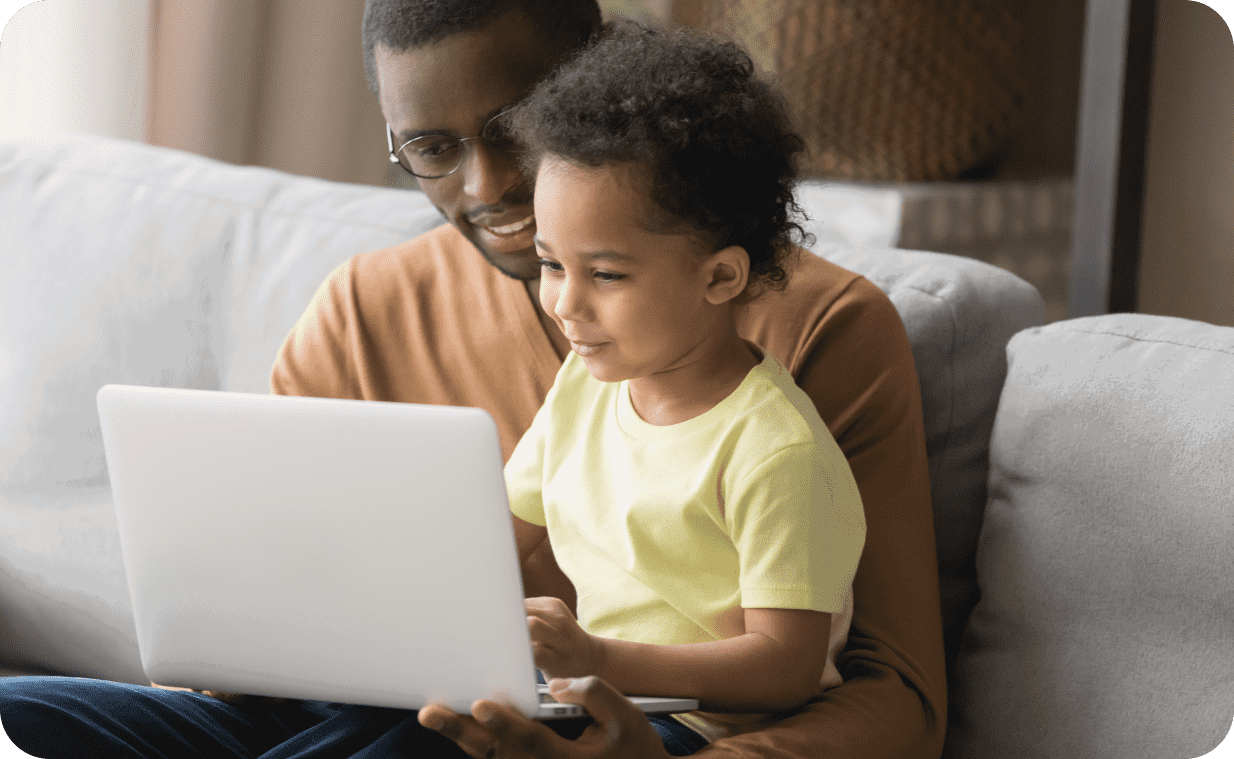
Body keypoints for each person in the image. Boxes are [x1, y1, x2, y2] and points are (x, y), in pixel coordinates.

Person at [0, 2, 946, 758]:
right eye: (432, 150)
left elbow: (893, 695)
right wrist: (244, 647)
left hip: (618, 726)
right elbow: (355, 580)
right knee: (32, 707)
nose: (488, 186)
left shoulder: (822, 336)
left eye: (516, 128)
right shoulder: (369, 312)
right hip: (414, 703)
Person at [497, 24, 866, 755]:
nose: (565, 303)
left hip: (686, 723)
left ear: (721, 276)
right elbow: (491, 541)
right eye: (549, 264)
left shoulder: (774, 451)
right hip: (576, 696)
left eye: (604, 274)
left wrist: (598, 659)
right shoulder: (584, 384)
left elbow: (787, 664)